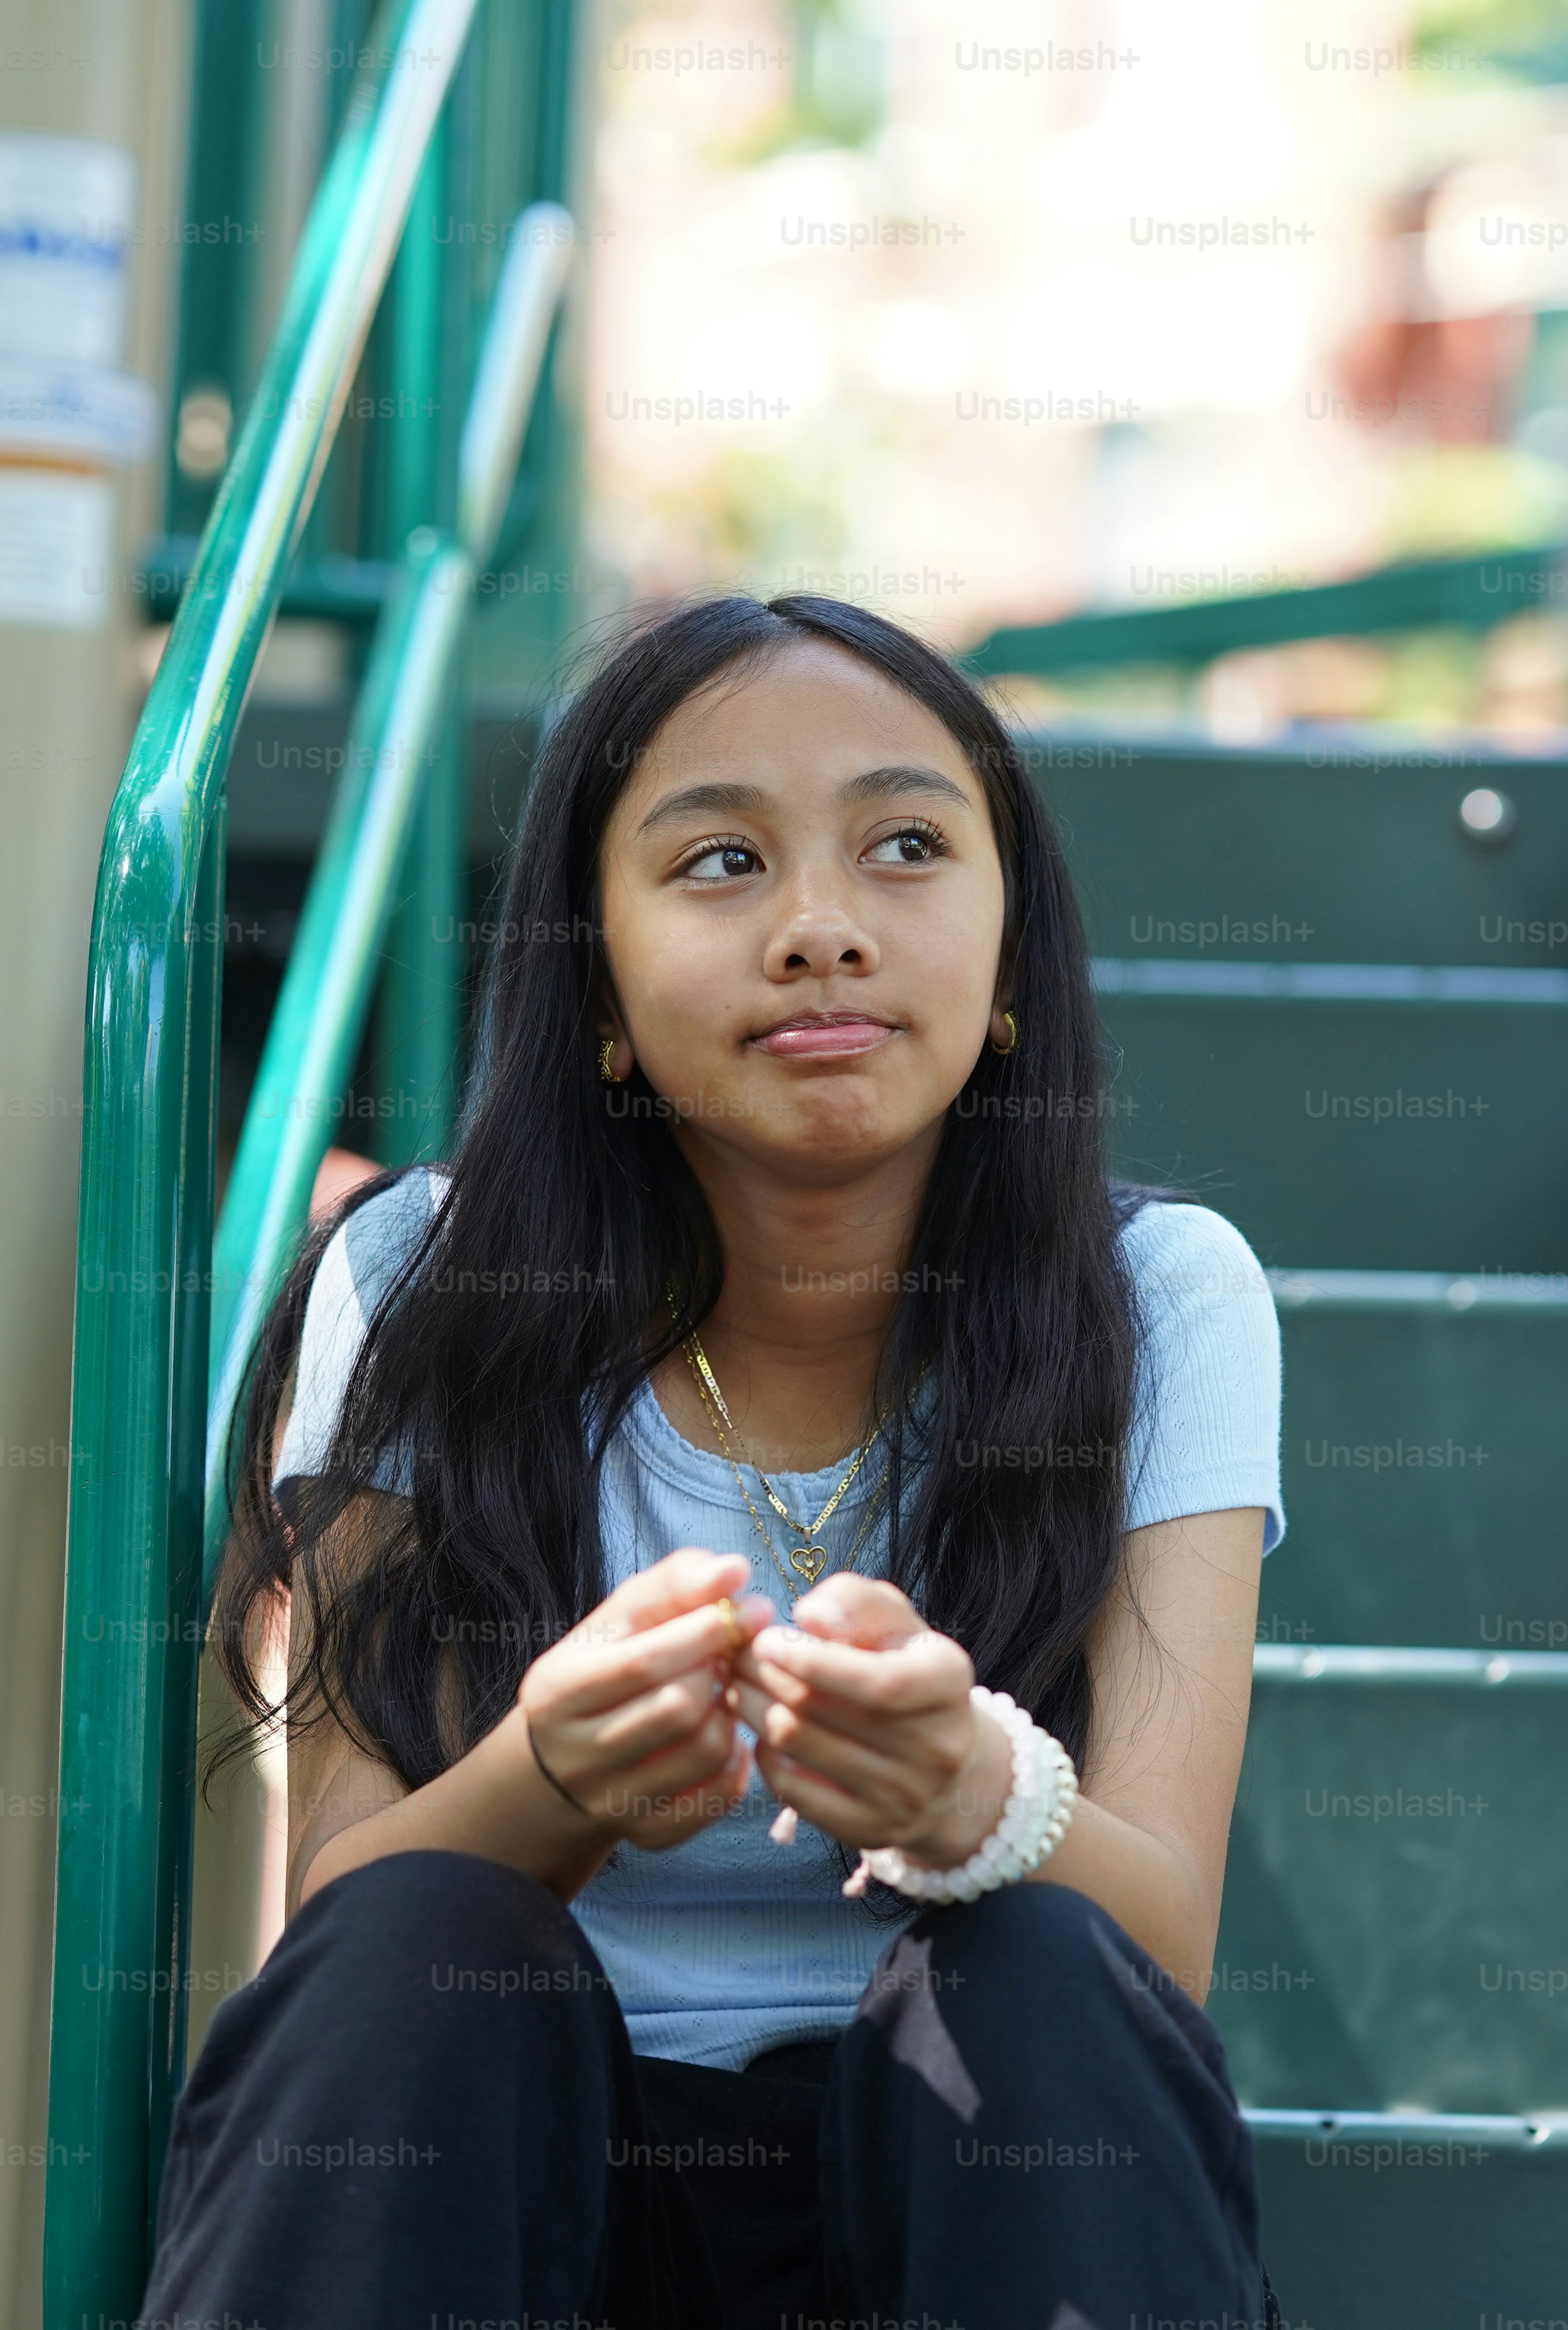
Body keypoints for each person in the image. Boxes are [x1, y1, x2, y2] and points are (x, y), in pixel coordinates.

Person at [142, 591, 1287, 2329]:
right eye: (720, 865)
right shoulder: (423, 1289)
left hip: (971, 2197)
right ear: (596, 988)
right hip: (540, 2196)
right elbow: (340, 1921)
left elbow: (1164, 1953)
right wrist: (553, 1775)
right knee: (414, 1964)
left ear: (1008, 975)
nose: (823, 929)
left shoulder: (1165, 1301)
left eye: (905, 845)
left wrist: (981, 1796)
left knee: (1048, 1970)